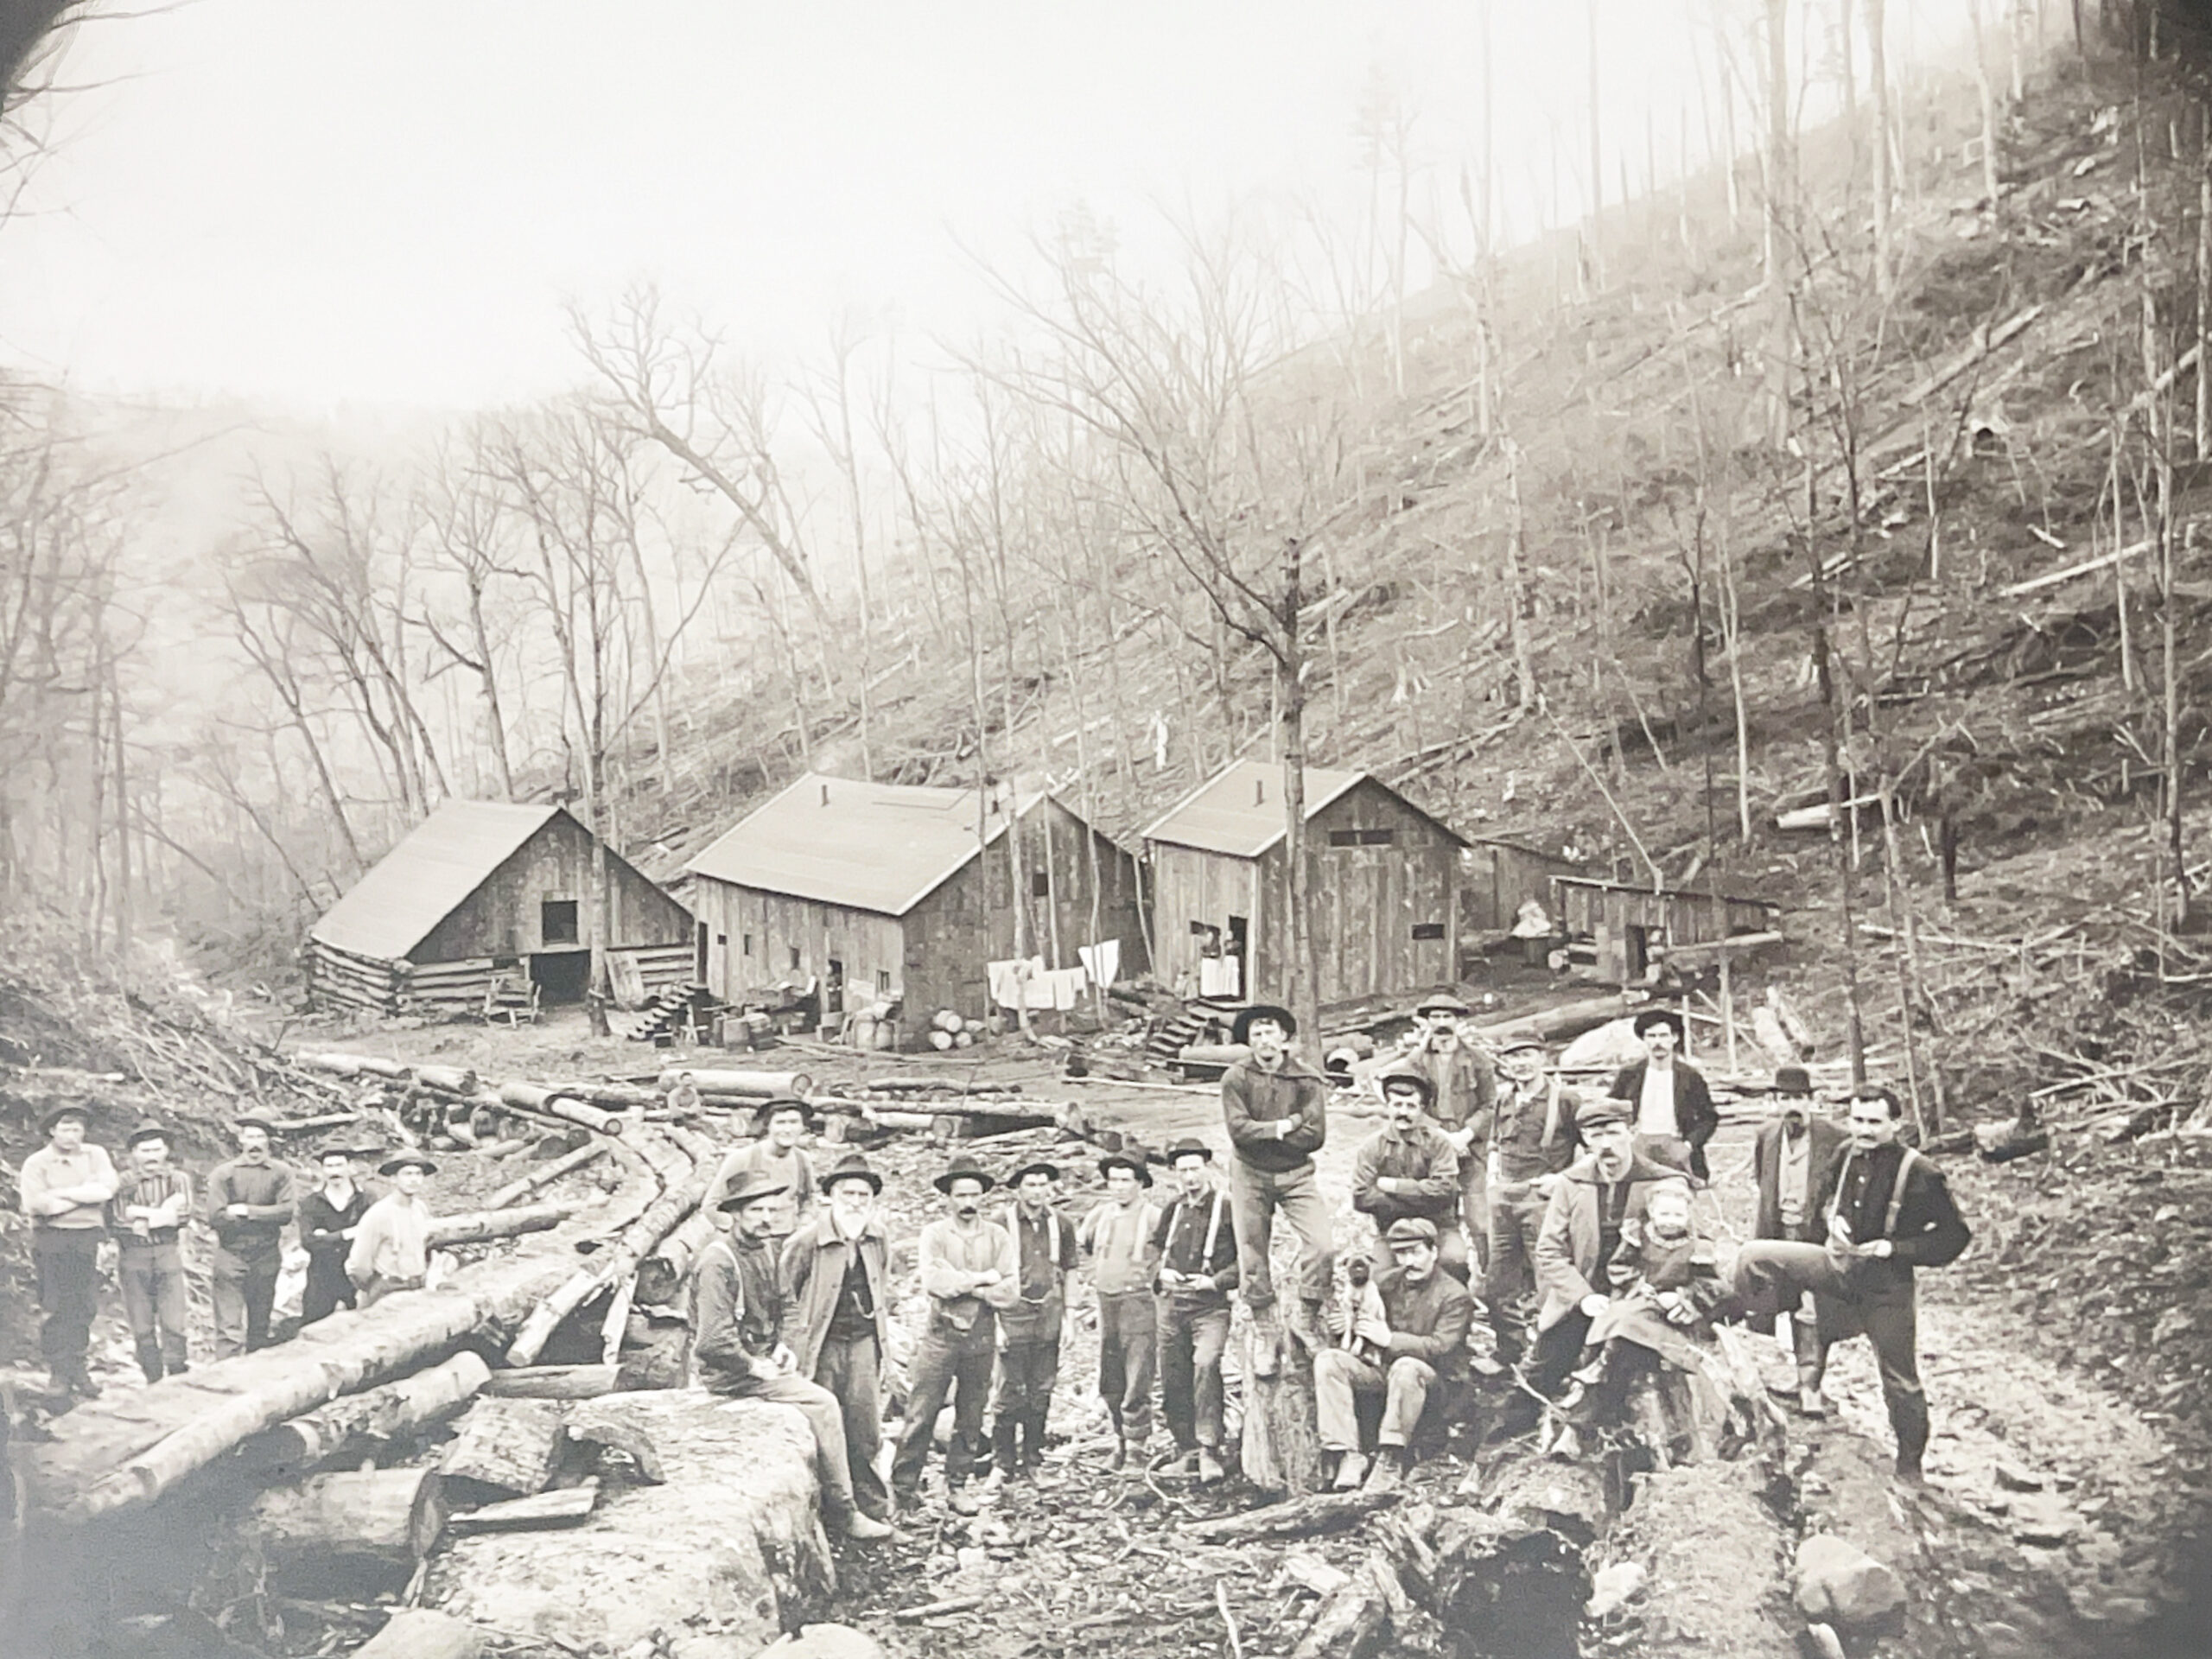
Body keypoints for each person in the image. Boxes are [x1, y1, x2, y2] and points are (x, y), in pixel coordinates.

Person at [1732, 1086, 1970, 1478]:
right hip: (1837, 1267)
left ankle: (1910, 1466)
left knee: (1900, 1381)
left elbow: (1953, 1237)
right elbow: (1824, 1199)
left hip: (1885, 1287)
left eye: (1875, 1123)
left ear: (1896, 1124)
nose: (1865, 1130)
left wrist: (1896, 1249)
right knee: (1753, 1256)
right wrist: (1830, 1218)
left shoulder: (1919, 1172)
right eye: (1858, 1121)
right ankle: (1751, 1335)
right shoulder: (1844, 1154)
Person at [693, 1171, 893, 1540]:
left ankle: (864, 1503)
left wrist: (783, 1344)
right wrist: (754, 1366)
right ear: (734, 1214)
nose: (766, 1218)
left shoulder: (766, 1248)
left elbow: (787, 1303)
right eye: (756, 1210)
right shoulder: (718, 1262)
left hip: (762, 1361)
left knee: (862, 1423)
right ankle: (844, 1512)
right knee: (823, 1404)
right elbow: (711, 1342)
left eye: (772, 1209)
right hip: (731, 1374)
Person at [1516, 1100, 1677, 1421]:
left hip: (1639, 1302)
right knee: (1535, 1379)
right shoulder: (1571, 1183)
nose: (1605, 1145)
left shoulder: (1661, 1181)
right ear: (1585, 1139)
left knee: (1628, 1379)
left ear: (1631, 1133)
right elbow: (1549, 1251)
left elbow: (1686, 1246)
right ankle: (1494, 1454)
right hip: (1583, 1299)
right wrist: (1583, 1297)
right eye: (1595, 1135)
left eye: (1614, 1133)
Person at [1551, 1177, 1726, 1458]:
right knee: (1621, 1322)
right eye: (1664, 1214)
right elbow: (1619, 1268)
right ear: (1653, 1213)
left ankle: (1594, 1385)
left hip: (1672, 1317)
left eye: (1678, 1214)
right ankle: (1592, 1397)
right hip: (1639, 1302)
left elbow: (1713, 1286)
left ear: (1689, 1214)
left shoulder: (1698, 1246)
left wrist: (1682, 1296)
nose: (1671, 1221)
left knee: (1625, 1330)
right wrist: (1641, 1284)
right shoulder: (1639, 1235)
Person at [1313, 1217, 1478, 1493]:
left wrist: (1389, 1339)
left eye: (1416, 1253)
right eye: (1401, 1253)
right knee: (1329, 1361)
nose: (1408, 1261)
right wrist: (1344, 1327)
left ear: (1434, 1252)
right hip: (1386, 1377)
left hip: (1434, 1387)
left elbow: (1441, 1347)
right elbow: (1362, 1320)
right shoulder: (1385, 1284)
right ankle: (1347, 1454)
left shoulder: (1454, 1295)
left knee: (1407, 1366)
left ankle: (1390, 1459)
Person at [892, 1161, 1017, 1516]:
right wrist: (982, 1279)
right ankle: (903, 1490)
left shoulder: (997, 1236)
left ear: (983, 1197)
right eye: (961, 1195)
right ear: (948, 1197)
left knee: (972, 1412)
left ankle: (958, 1485)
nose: (968, 1201)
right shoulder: (935, 1234)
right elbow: (935, 1282)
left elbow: (1010, 1291)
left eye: (974, 1194)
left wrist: (963, 1282)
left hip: (981, 1335)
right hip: (940, 1334)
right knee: (921, 1411)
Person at [782, 1150, 894, 1525]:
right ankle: (826, 1513)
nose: (857, 1203)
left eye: (864, 1196)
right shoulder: (807, 1241)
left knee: (865, 1428)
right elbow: (783, 1296)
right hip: (821, 1346)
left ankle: (873, 1509)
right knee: (821, 1427)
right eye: (849, 1194)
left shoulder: (877, 1239)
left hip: (863, 1343)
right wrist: (788, 1345)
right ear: (832, 1196)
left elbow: (882, 1288)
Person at [1220, 1002, 1332, 1374]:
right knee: (1252, 1252)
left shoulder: (1306, 1079)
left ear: (1284, 1038)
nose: (1264, 1040)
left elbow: (1315, 1136)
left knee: (1322, 1244)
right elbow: (1239, 1132)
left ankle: (1306, 1315)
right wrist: (1285, 1127)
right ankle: (1266, 1330)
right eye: (1256, 1034)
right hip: (1250, 1174)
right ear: (1248, 1042)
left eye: (1270, 1032)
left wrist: (1265, 1134)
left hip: (1296, 1174)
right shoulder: (1235, 1078)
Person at [1484, 1030, 1583, 1365]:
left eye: (1527, 1055)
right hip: (1503, 1199)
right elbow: (1496, 1144)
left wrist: (1563, 1178)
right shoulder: (1503, 1099)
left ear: (1543, 1057)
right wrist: (1493, 1176)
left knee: (1548, 1282)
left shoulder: (1566, 1100)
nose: (1521, 1063)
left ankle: (1549, 1359)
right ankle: (1509, 1353)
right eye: (1513, 1057)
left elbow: (1593, 1149)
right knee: (1497, 1283)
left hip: (1542, 1201)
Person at [1151, 1137, 1238, 1485]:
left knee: (1205, 1365)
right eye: (1183, 1170)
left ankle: (1209, 1449)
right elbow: (1153, 1252)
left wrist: (1215, 1282)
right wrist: (1161, 1273)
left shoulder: (1227, 1207)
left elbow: (1246, 1263)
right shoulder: (1173, 1209)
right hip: (1172, 1305)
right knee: (1173, 1375)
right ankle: (1186, 1449)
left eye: (1195, 1168)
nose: (1190, 1177)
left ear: (1207, 1168)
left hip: (1209, 1308)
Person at [18, 1104, 119, 1399]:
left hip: (87, 1238)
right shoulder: (37, 1163)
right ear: (52, 1131)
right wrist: (84, 1195)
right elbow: (39, 1206)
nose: (72, 1134)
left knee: (83, 1305)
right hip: (52, 1239)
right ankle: (58, 1372)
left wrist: (62, 1195)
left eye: (77, 1128)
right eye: (65, 1128)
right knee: (55, 1305)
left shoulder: (96, 1155)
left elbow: (106, 1190)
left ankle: (78, 1368)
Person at [993, 1158, 1077, 1480]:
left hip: (1049, 1314)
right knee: (1009, 1390)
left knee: (1041, 1390)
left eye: (1044, 1184)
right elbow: (990, 1278)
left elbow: (1071, 1270)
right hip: (1012, 1313)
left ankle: (1033, 1459)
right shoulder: (1001, 1223)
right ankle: (1003, 1463)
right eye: (1031, 1184)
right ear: (1018, 1188)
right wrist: (997, 1323)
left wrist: (1070, 1316)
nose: (1038, 1191)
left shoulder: (1062, 1223)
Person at [1078, 1152, 1163, 1471]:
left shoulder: (1154, 1216)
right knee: (1110, 1375)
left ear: (1140, 1183)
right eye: (1113, 1180)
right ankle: (1120, 1442)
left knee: (1137, 1374)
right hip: (1106, 1301)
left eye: (1126, 1180)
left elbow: (1169, 1253)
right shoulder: (1099, 1215)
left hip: (1139, 1303)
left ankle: (1138, 1448)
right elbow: (1083, 1247)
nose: (1119, 1187)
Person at [1405, 988, 1496, 1273]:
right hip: (1432, 1151)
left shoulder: (1478, 1060)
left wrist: (1466, 1135)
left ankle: (1489, 1281)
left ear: (1458, 1022)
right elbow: (1411, 1105)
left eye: (1448, 1016)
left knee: (1480, 1221)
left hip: (1470, 1151)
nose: (1442, 1022)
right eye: (1435, 1016)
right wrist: (1443, 1137)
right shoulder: (1416, 1062)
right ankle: (1447, 1278)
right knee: (1438, 1219)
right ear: (1426, 1022)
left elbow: (1490, 1104)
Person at [1351, 1062, 1468, 1281]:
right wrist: (1418, 1198)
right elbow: (1361, 1198)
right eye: (1397, 1105)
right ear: (1388, 1107)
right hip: (1391, 1230)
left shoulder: (1438, 1143)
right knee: (1380, 1276)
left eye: (1411, 1106)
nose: (1403, 1112)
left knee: (1454, 1260)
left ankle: (1453, 1310)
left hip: (1439, 1227)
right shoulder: (1371, 1147)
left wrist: (1394, 1186)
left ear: (1422, 1110)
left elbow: (1445, 1191)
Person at [206, 1116, 298, 1358]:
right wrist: (265, 1216)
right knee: (229, 1330)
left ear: (268, 1140)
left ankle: (255, 1384)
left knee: (259, 1327)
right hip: (231, 1254)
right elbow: (216, 1217)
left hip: (266, 1256)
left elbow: (286, 1213)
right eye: (249, 1136)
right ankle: (223, 1382)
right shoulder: (223, 1174)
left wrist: (246, 1211)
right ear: (241, 1139)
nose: (254, 1143)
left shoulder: (281, 1172)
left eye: (260, 1136)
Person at [110, 1119, 193, 1382]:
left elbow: (182, 1216)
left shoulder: (178, 1179)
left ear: (166, 1151)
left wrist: (143, 1216)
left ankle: (178, 1374)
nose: (152, 1157)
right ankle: (153, 1378)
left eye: (157, 1150)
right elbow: (119, 1222)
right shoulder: (122, 1181)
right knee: (142, 1324)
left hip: (167, 1252)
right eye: (145, 1151)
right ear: (134, 1153)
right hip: (133, 1256)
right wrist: (163, 1213)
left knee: (174, 1323)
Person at [1607, 1008, 1717, 1179]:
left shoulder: (1689, 1077)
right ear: (1644, 1039)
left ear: (1675, 1038)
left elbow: (1709, 1117)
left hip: (1674, 1147)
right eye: (1652, 1036)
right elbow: (1610, 1110)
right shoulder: (1629, 1075)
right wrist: (1626, 1139)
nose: (1658, 1042)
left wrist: (1688, 1145)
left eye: (1663, 1036)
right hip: (1637, 1147)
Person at [1751, 1067, 1848, 1246]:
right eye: (1785, 1099)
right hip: (1776, 1232)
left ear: (1810, 1100)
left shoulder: (1836, 1137)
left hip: (1818, 1234)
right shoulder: (1766, 1135)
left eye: (1798, 1098)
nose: (1792, 1106)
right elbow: (1762, 1181)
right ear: (1775, 1102)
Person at [297, 1140, 372, 1325]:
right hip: (321, 1276)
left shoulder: (366, 1200)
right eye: (329, 1166)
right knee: (313, 1329)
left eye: (339, 1165)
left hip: (356, 1275)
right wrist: (346, 1234)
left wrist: (325, 1237)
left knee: (362, 1329)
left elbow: (372, 1234)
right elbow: (308, 1241)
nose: (334, 1172)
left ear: (349, 1168)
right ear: (322, 1170)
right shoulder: (311, 1203)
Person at [347, 1153, 437, 1306]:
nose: (414, 1179)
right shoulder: (378, 1215)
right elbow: (358, 1266)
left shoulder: (420, 1209)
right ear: (393, 1179)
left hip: (418, 1286)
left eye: (418, 1174)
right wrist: (375, 1287)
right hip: (388, 1289)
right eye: (407, 1174)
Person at [730, 1096, 820, 1244]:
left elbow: (810, 1198)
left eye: (794, 1122)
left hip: (789, 1238)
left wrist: (804, 1221)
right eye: (780, 1123)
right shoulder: (743, 1157)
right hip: (751, 1242)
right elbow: (712, 1204)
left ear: (803, 1127)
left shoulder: (802, 1159)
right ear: (768, 1126)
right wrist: (739, 1234)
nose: (787, 1129)